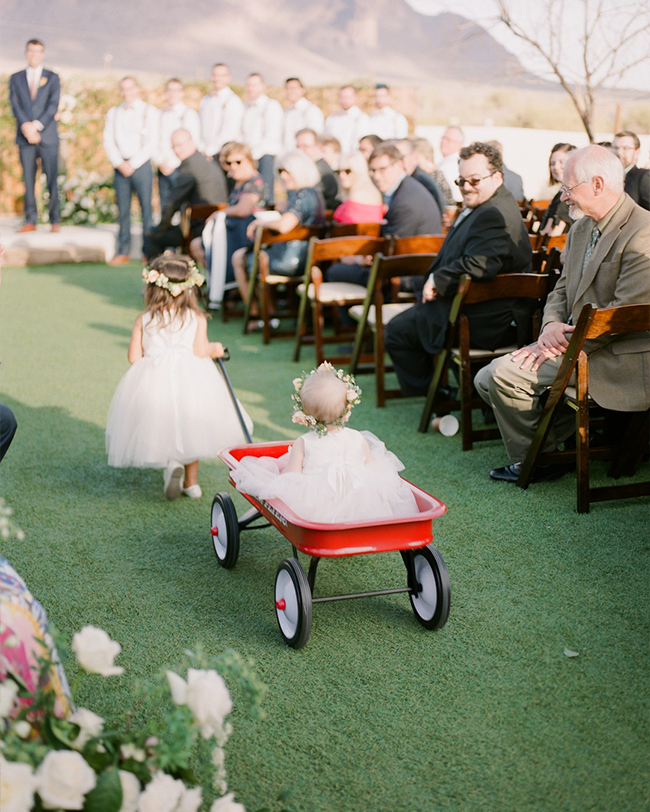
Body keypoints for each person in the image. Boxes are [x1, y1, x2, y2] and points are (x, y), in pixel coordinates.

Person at [475, 144, 650, 483]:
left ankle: (537, 461)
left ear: (597, 185)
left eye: (569, 188)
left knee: (499, 375)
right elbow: (560, 289)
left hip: (620, 358)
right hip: (579, 344)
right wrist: (551, 324)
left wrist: (557, 346)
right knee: (485, 379)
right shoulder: (582, 227)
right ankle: (550, 453)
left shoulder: (644, 231)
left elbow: (622, 318)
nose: (564, 196)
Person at [384, 141, 532, 396]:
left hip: (485, 319)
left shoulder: (493, 213)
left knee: (397, 331)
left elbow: (481, 263)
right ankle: (455, 392)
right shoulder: (492, 203)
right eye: (461, 181)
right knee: (406, 324)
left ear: (497, 177)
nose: (466, 188)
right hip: (475, 306)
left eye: (474, 180)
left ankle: (437, 397)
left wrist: (439, 279)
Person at [105, 254, 253, 499]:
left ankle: (171, 463)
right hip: (191, 378)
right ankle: (191, 483)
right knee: (192, 425)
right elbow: (199, 350)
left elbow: (134, 357)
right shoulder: (196, 318)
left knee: (164, 421)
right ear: (189, 290)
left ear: (153, 289)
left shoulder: (144, 320)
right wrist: (215, 348)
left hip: (155, 378)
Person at [230, 362, 418, 523]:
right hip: (358, 503)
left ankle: (257, 510)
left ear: (306, 415)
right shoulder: (358, 438)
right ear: (346, 411)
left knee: (275, 474)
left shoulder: (303, 442)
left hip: (318, 506)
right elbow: (372, 468)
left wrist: (278, 475)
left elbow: (292, 476)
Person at [326, 142, 443, 289]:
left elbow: (392, 249)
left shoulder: (405, 199)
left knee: (334, 272)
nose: (377, 176)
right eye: (373, 171)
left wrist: (359, 259)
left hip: (410, 276)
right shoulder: (406, 189)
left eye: (382, 169)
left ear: (399, 165)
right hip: (409, 267)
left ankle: (365, 312)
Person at [232, 150, 326, 318]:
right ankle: (267, 314)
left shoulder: (303, 195)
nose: (283, 176)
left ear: (299, 171)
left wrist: (259, 222)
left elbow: (284, 226)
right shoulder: (313, 193)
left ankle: (258, 315)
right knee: (247, 255)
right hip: (306, 257)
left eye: (287, 171)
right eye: (280, 171)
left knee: (240, 257)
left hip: (291, 260)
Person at [191, 142, 269, 306]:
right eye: (229, 163)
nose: (233, 166)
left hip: (244, 237)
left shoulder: (254, 182)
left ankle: (236, 296)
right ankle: (221, 285)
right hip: (231, 234)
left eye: (238, 162)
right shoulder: (238, 181)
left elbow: (243, 209)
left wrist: (219, 213)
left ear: (249, 160)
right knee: (197, 245)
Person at [144, 129, 228, 260]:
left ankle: (155, 278)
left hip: (200, 228)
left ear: (191, 142)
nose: (177, 150)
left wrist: (161, 228)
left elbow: (172, 202)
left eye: (180, 145)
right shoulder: (205, 160)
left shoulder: (190, 164)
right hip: (215, 223)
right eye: (174, 147)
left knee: (152, 236)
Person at [103, 76, 158, 266]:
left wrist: (133, 163)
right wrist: (120, 163)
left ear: (137, 89)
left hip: (141, 165)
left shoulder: (149, 111)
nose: (127, 93)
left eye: (130, 88)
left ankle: (148, 252)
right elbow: (108, 140)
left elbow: (152, 141)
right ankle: (123, 250)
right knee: (123, 211)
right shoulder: (113, 112)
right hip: (120, 166)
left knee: (146, 210)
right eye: (123, 89)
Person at [9, 39, 61, 233]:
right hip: (25, 138)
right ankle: (30, 220)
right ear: (26, 52)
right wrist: (27, 128)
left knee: (52, 180)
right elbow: (15, 105)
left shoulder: (52, 77)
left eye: (38, 51)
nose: (34, 55)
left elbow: (52, 105)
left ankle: (55, 220)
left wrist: (37, 126)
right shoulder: (16, 78)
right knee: (28, 180)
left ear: (43, 54)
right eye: (31, 51)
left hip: (47, 137)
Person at [154, 78, 201, 212]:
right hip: (162, 166)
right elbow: (154, 140)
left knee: (183, 206)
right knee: (165, 206)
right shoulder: (159, 114)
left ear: (182, 93)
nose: (172, 94)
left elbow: (193, 143)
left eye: (176, 90)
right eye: (169, 90)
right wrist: (161, 162)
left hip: (181, 168)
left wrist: (174, 163)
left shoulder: (189, 114)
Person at [240, 73, 283, 205]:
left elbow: (272, 135)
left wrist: (252, 155)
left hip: (264, 156)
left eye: (255, 85)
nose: (251, 88)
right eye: (249, 85)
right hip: (247, 156)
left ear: (263, 86)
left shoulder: (272, 106)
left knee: (266, 193)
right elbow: (241, 132)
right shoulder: (245, 107)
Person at [199, 63, 244, 161]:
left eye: (221, 75)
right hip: (204, 153)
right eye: (214, 75)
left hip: (221, 154)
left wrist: (209, 151)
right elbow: (200, 128)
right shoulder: (206, 100)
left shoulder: (233, 101)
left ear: (228, 78)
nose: (217, 79)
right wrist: (202, 149)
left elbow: (229, 132)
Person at [395, 138, 446, 218]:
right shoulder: (417, 177)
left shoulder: (419, 180)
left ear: (415, 156)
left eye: (401, 157)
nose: (397, 162)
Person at [332, 151, 384, 224]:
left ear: (358, 170)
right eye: (338, 172)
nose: (341, 176)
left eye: (347, 171)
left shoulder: (357, 195)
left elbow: (349, 229)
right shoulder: (373, 192)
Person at [295, 128, 340, 210]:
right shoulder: (312, 167)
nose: (300, 150)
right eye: (298, 146)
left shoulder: (320, 169)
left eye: (305, 146)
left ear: (318, 147)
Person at [539, 142, 578, 236]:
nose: (556, 167)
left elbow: (554, 235)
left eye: (562, 162)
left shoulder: (569, 196)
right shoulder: (560, 194)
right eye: (552, 163)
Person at [282, 77, 324, 153]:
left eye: (293, 88)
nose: (290, 91)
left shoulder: (311, 110)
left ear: (303, 90)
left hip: (303, 155)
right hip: (286, 154)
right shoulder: (286, 112)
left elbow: (314, 138)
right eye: (287, 88)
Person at [324, 86, 371, 155]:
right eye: (342, 97)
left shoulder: (362, 119)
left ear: (356, 97)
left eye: (348, 97)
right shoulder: (332, 119)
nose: (344, 100)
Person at [612, 130, 650, 211]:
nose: (619, 152)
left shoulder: (643, 177)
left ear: (637, 152)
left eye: (625, 148)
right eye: (615, 148)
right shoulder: (607, 178)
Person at [437, 126, 465, 203]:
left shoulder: (451, 165)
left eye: (448, 140)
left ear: (460, 144)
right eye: (443, 138)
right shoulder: (446, 162)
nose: (443, 142)